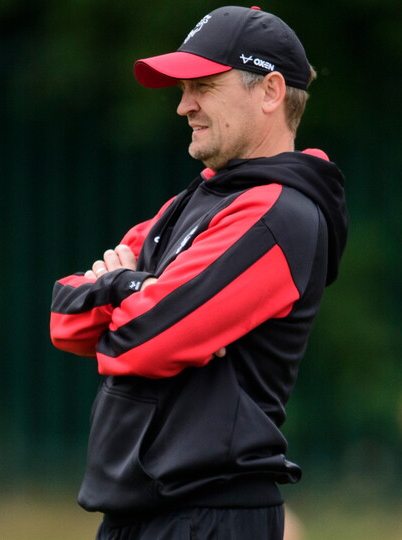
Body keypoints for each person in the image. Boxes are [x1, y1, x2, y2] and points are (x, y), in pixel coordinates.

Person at [49, 6, 348, 539]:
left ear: (271, 91)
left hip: (209, 517)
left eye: (203, 86)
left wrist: (122, 288)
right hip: (145, 516)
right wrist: (142, 293)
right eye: (183, 89)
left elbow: (145, 342)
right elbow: (64, 321)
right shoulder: (192, 202)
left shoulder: (279, 212)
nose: (184, 106)